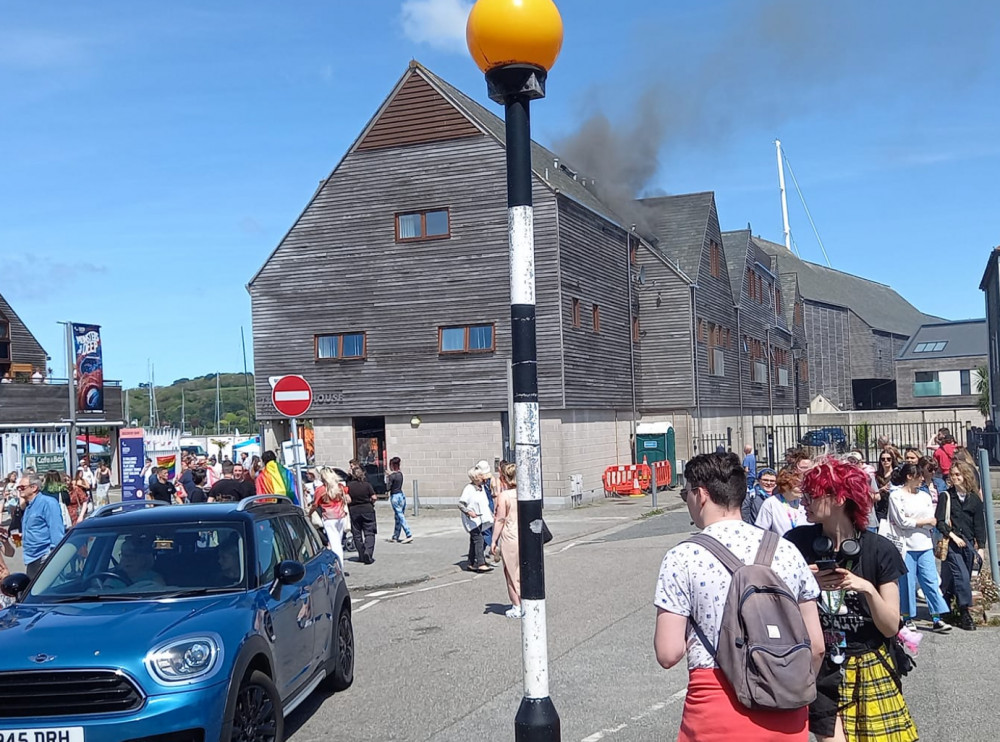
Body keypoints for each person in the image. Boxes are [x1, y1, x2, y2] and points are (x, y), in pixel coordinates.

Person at [653, 452, 823, 741]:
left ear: (701, 494)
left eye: (686, 495)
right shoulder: (786, 550)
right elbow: (816, 646)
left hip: (716, 705)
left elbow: (669, 653)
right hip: (786, 705)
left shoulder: (683, 557)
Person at [785, 457, 917, 742]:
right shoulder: (794, 543)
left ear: (840, 498)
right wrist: (804, 584)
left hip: (868, 661)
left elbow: (890, 627)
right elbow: (774, 606)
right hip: (819, 664)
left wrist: (867, 588)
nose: (803, 501)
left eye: (812, 495)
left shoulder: (879, 549)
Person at [888, 463, 952, 633]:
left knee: (930, 580)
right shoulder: (896, 496)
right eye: (919, 476)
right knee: (907, 583)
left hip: (924, 543)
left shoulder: (924, 496)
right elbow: (902, 522)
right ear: (910, 477)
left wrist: (917, 521)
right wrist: (921, 522)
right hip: (906, 546)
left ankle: (937, 617)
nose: (922, 479)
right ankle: (908, 617)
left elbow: (931, 519)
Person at [937, 460, 987, 631]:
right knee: (962, 576)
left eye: (957, 474)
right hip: (951, 542)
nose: (954, 477)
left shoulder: (974, 499)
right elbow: (940, 522)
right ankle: (965, 611)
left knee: (952, 576)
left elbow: (979, 524)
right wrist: (952, 536)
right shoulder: (946, 496)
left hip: (968, 543)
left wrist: (981, 547)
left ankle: (944, 603)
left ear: (965, 476)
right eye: (952, 474)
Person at [17, 473, 66, 579]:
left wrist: (54, 556)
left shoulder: (48, 503)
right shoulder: (29, 506)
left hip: (44, 556)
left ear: (34, 488)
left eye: (22, 487)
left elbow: (56, 531)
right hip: (31, 558)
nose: (19, 490)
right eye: (18, 487)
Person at [491, 461, 522, 618]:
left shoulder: (504, 496)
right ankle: (527, 602)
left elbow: (500, 519)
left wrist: (493, 540)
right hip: (524, 536)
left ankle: (517, 605)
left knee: (510, 572)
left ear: (504, 478)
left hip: (510, 536)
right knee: (523, 571)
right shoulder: (524, 493)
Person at [458, 464, 493, 573]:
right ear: (477, 478)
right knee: (479, 539)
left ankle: (471, 562)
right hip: (472, 520)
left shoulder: (481, 488)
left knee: (474, 541)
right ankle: (481, 563)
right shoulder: (469, 489)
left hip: (480, 519)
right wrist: (469, 512)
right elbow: (461, 504)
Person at [314, 468, 350, 567]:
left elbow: (315, 504)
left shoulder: (321, 490)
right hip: (341, 517)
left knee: (335, 544)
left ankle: (339, 565)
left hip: (329, 518)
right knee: (338, 541)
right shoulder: (340, 487)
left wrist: (309, 513)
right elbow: (349, 499)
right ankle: (339, 564)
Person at [755, 468, 807, 536]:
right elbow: (761, 532)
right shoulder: (771, 503)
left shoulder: (805, 503)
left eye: (802, 485)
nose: (801, 489)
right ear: (785, 486)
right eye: (798, 486)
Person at [346, 464, 378, 564]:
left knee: (357, 534)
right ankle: (368, 552)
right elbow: (374, 497)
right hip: (367, 509)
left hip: (354, 511)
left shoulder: (349, 486)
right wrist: (371, 503)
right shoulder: (367, 485)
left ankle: (361, 554)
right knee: (370, 533)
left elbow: (347, 499)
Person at [386, 457, 412, 544]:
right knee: (398, 516)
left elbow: (388, 488)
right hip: (401, 495)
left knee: (400, 516)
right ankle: (395, 536)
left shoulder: (392, 476)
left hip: (395, 496)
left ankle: (408, 534)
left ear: (393, 465)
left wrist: (388, 478)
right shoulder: (400, 474)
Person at [873, 446, 900, 522]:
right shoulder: (876, 475)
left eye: (888, 459)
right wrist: (881, 489)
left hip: (893, 507)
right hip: (880, 508)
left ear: (892, 460)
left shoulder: (896, 474)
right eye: (883, 459)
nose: (886, 461)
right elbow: (872, 492)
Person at [475, 460, 495, 551]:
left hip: (483, 505)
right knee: (490, 527)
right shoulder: (491, 480)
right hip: (491, 504)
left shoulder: (480, 482)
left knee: (484, 529)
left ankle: (492, 547)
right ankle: (492, 546)